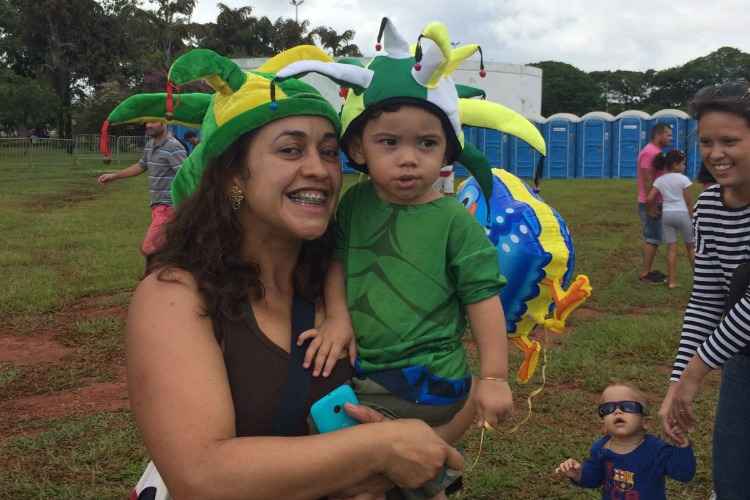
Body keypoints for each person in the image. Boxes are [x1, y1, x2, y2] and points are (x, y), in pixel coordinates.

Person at [128, 47, 466, 500]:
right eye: (290, 150)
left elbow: (441, 420)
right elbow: (201, 474)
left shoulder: (347, 280)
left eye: (329, 152)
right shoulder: (176, 296)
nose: (319, 170)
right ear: (234, 175)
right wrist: (373, 449)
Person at [302, 19, 515, 500]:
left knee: (360, 478)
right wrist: (337, 316)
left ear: (447, 152)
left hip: (428, 382)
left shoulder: (453, 220)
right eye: (389, 142)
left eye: (426, 143)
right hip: (364, 372)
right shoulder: (354, 204)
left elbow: (483, 298)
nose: (408, 159)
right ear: (357, 147)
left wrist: (495, 378)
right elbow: (336, 259)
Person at [659, 80, 750, 500]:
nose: (716, 154)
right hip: (744, 359)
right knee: (732, 477)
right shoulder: (710, 206)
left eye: (730, 141)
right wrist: (678, 383)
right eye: (707, 142)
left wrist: (698, 370)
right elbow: (708, 298)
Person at [556, 383, 695, 499]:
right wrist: (579, 474)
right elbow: (594, 478)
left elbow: (684, 474)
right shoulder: (601, 448)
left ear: (645, 422)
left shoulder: (656, 449)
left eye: (628, 406)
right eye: (608, 409)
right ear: (603, 426)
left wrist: (681, 445)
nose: (617, 412)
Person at [97, 120, 186, 257]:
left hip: (169, 207)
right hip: (157, 206)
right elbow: (141, 166)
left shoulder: (174, 147)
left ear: (164, 122)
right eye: (146, 122)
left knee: (149, 247)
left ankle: (160, 275)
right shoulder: (150, 144)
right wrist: (114, 176)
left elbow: (185, 176)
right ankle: (169, 274)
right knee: (166, 246)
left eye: (153, 121)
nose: (148, 125)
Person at [646, 150, 695, 289]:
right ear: (675, 164)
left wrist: (652, 209)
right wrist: (692, 217)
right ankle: (699, 280)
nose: (684, 166)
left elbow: (649, 198)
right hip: (683, 214)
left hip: (667, 215)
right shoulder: (683, 179)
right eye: (683, 163)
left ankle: (672, 281)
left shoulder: (660, 180)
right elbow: (689, 201)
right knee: (691, 248)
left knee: (671, 249)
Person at [637, 123, 673, 283]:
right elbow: (647, 180)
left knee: (655, 237)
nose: (670, 138)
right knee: (652, 237)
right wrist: (650, 205)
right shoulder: (649, 152)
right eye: (668, 135)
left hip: (656, 202)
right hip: (651, 203)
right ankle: (645, 274)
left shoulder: (656, 152)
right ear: (659, 135)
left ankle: (648, 271)